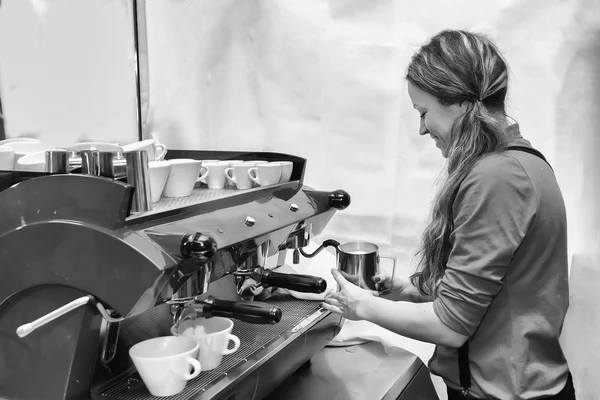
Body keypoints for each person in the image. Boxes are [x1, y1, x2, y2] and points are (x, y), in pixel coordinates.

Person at [321, 29, 576, 400]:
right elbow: (497, 289)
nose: (422, 128)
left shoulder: (498, 176)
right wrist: (409, 290)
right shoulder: (522, 164)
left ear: (458, 102)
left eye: (423, 112)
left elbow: (450, 326)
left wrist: (360, 306)